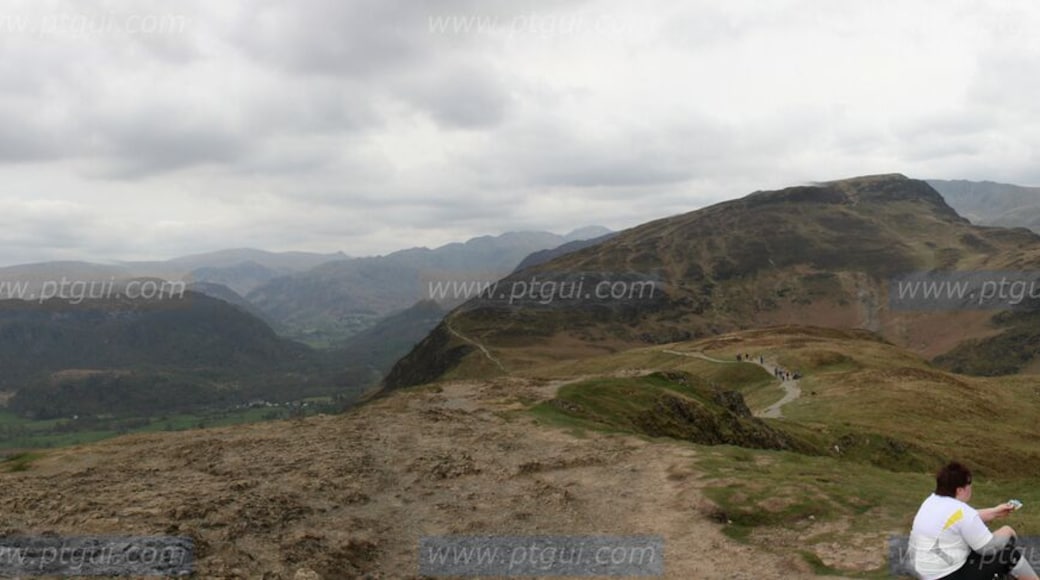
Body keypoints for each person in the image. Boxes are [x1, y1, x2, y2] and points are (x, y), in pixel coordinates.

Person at [909, 461, 1037, 579]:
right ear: (960, 490)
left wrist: (994, 512)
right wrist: (1007, 531)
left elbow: (957, 521)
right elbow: (988, 547)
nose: (971, 488)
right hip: (948, 575)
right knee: (1008, 553)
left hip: (927, 573)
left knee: (974, 548)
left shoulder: (932, 501)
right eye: (969, 484)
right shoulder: (962, 511)